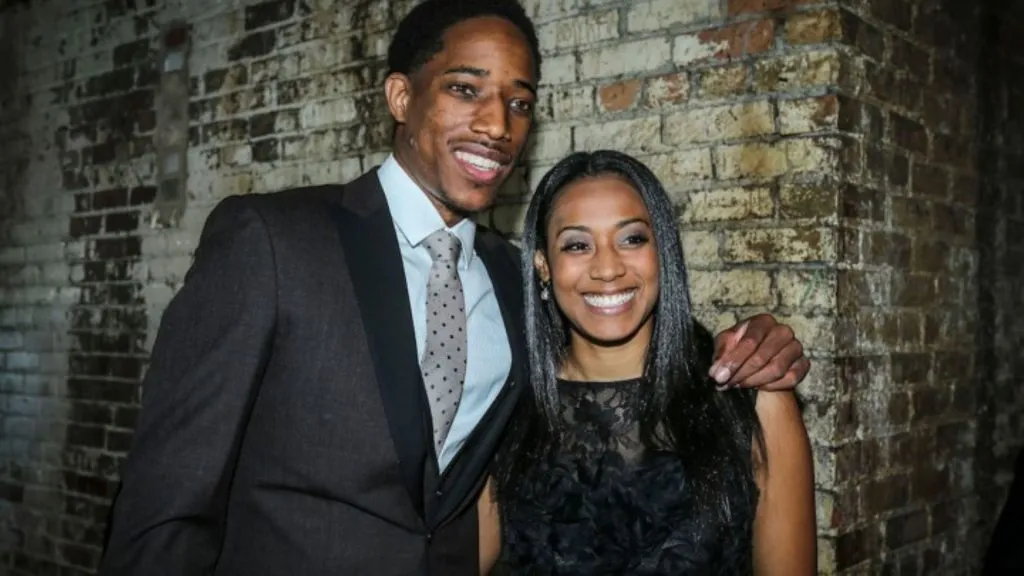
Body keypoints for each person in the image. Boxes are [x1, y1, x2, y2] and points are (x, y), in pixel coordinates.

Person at [99, 2, 811, 574]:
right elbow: (165, 502)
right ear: (401, 97)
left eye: (519, 103)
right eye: (466, 89)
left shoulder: (511, 281)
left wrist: (759, 341)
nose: (498, 124)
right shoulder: (273, 241)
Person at [480, 151, 816, 575]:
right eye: (577, 245)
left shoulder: (752, 398)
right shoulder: (506, 410)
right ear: (543, 266)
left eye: (632, 239)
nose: (607, 268)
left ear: (662, 252)